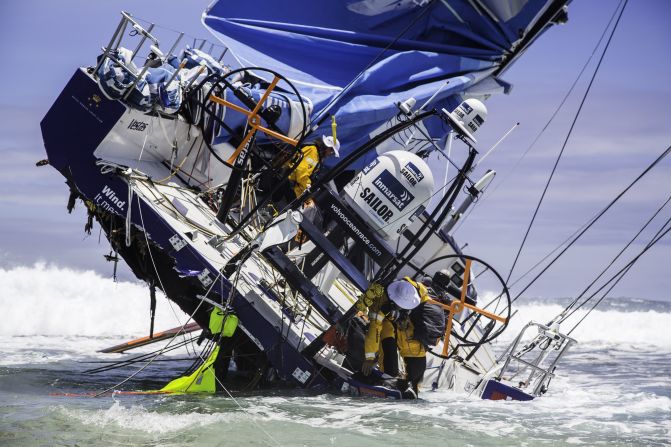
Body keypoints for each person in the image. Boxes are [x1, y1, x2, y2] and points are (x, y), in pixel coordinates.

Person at [356, 277, 429, 397]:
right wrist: (369, 358)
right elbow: (375, 328)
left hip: (406, 325)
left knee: (416, 360)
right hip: (386, 323)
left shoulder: (419, 290)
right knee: (388, 356)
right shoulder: (381, 301)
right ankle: (389, 381)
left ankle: (412, 386)